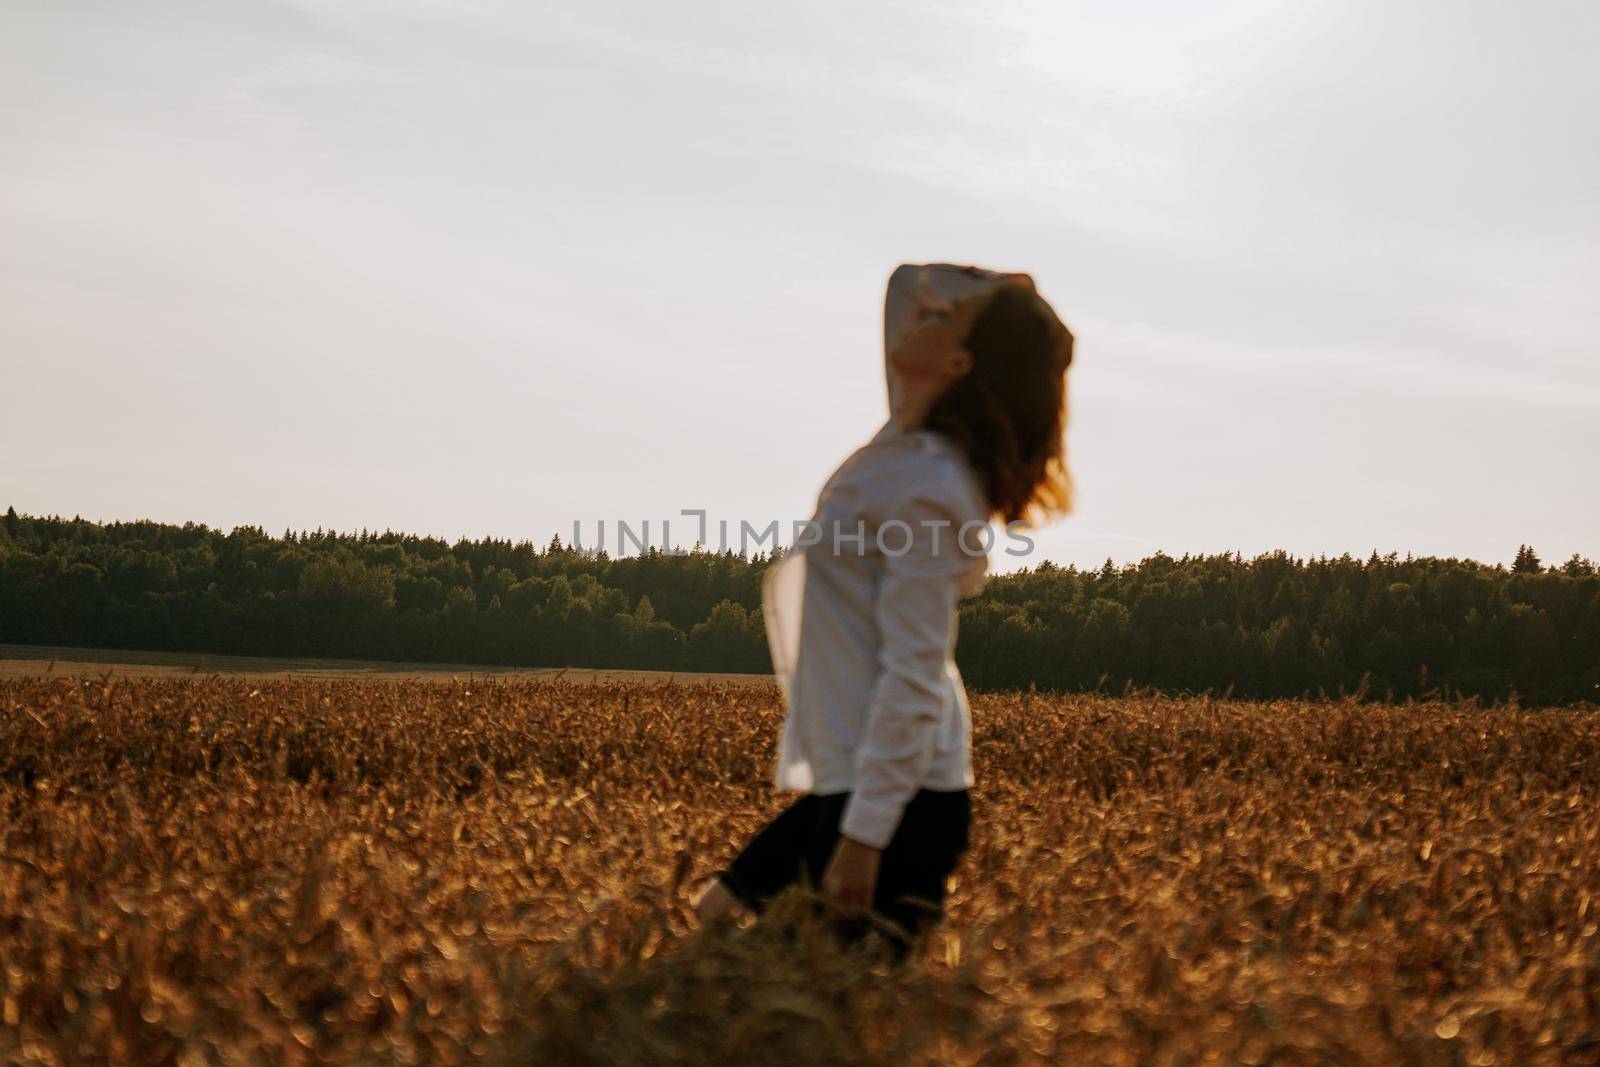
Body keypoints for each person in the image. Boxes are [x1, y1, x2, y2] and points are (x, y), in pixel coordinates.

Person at [691, 261, 1075, 953]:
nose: (918, 315)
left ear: (957, 361)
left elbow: (916, 674)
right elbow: (904, 282)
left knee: (829, 1008)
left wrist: (865, 837)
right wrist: (1003, 288)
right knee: (706, 925)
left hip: (900, 801)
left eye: (940, 318)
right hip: (853, 776)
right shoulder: (903, 445)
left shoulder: (929, 485)